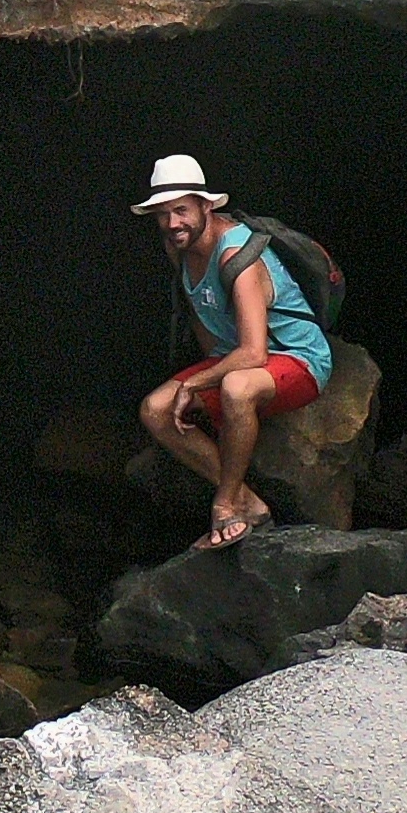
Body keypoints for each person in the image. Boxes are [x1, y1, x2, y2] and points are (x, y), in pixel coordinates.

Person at [131, 153, 333, 550]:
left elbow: (254, 353)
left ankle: (224, 505)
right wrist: (203, 379)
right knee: (155, 409)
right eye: (163, 214)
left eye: (182, 210)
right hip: (239, 357)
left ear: (206, 206)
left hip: (295, 357)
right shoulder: (179, 249)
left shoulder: (234, 254)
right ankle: (248, 502)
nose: (173, 223)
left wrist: (200, 384)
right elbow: (204, 323)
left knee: (237, 387)